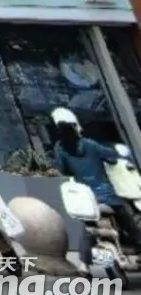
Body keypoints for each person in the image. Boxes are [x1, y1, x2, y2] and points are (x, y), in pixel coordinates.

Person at [50, 107, 141, 251]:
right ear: (75, 127)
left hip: (85, 197)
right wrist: (118, 154)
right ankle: (137, 241)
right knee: (127, 215)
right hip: (106, 195)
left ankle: (89, 259)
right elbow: (112, 157)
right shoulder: (89, 144)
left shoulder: (60, 148)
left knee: (87, 227)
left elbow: (63, 170)